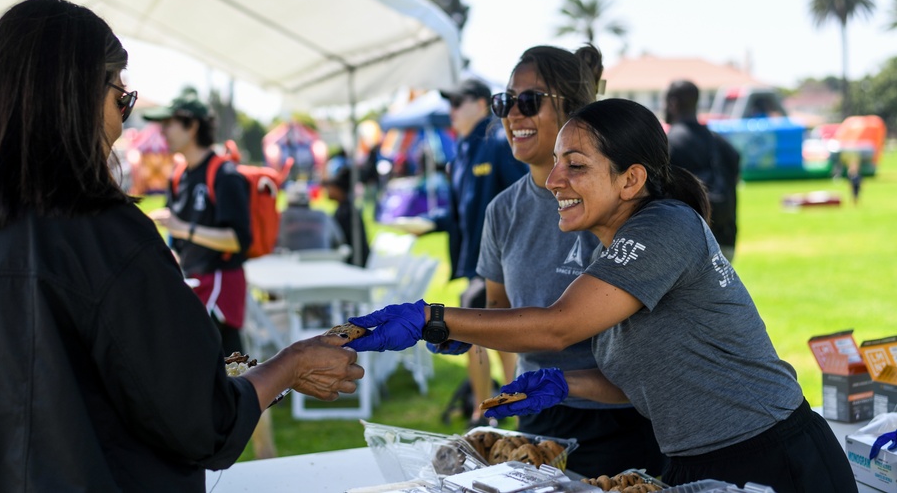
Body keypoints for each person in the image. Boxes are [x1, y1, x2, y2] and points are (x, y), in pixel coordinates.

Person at [0, 0, 363, 492]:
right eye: (121, 99)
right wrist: (289, 364)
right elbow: (201, 421)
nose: (121, 126)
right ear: (75, 98)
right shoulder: (102, 233)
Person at [345, 98, 856, 493]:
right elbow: (646, 379)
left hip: (771, 456)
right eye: (557, 163)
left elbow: (558, 324)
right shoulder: (610, 251)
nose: (556, 181)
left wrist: (433, 318)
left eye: (576, 165)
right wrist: (566, 384)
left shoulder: (668, 226)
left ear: (631, 178)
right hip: (695, 460)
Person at [473, 45, 664, 475]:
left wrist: (440, 319)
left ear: (576, 113)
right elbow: (499, 310)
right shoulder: (503, 210)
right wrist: (470, 331)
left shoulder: (623, 205)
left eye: (529, 102)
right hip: (538, 413)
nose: (513, 115)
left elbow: (563, 325)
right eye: (505, 102)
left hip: (623, 417)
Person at [418, 78, 528, 427]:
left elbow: (523, 198)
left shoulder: (497, 144)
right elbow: (459, 207)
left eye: (457, 102)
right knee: (483, 335)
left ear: (481, 103)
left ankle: (499, 408)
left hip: (499, 262)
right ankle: (491, 408)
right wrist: (429, 223)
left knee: (490, 334)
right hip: (473, 261)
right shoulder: (463, 149)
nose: (451, 111)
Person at [144, 95, 252, 357]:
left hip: (220, 285)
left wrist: (183, 228)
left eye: (169, 123)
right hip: (192, 282)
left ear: (191, 126)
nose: (162, 131)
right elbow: (178, 242)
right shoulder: (178, 175)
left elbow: (239, 240)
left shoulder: (225, 175)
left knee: (226, 365)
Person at [664, 80, 740, 261]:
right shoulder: (721, 143)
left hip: (687, 243)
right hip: (725, 239)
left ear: (672, 103)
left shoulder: (669, 144)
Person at [276, 182, 348, 254]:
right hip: (322, 261)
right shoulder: (322, 215)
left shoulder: (282, 217)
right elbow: (339, 241)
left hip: (288, 263)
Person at [325, 167, 370, 267]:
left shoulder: (346, 213)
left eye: (330, 187)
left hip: (352, 264)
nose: (327, 190)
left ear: (338, 189)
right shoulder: (345, 209)